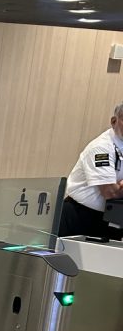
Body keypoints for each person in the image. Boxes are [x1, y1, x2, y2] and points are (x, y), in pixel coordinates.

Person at [59, 103, 123, 241]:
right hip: (80, 217)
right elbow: (111, 192)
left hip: (112, 219)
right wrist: (117, 188)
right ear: (114, 121)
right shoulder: (101, 148)